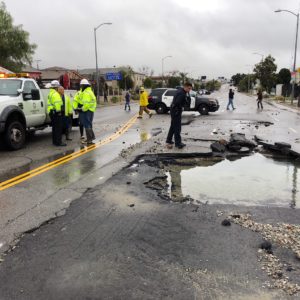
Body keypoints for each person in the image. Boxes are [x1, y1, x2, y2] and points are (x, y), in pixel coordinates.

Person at [166, 82, 193, 149]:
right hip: (176, 111)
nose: (189, 90)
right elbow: (178, 102)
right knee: (177, 127)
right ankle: (178, 143)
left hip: (173, 110)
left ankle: (169, 140)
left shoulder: (180, 90)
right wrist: (182, 107)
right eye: (189, 88)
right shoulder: (182, 93)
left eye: (190, 89)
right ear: (185, 87)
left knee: (173, 126)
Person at [47, 80, 66, 147]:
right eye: (58, 87)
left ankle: (55, 141)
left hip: (51, 112)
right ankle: (59, 142)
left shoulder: (50, 93)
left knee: (54, 128)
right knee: (58, 128)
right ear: (56, 87)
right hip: (56, 113)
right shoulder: (56, 94)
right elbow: (57, 104)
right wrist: (59, 112)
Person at [80, 78, 97, 145]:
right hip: (91, 110)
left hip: (87, 111)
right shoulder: (90, 92)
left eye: (81, 85)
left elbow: (86, 104)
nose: (81, 87)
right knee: (89, 124)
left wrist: (82, 109)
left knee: (87, 125)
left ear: (84, 86)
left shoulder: (86, 93)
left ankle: (89, 139)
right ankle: (91, 138)